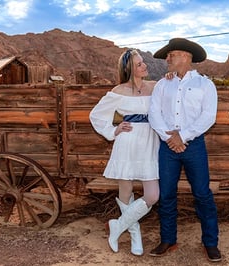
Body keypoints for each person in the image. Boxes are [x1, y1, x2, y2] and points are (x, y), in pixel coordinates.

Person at [148, 38, 222, 262]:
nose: (168, 59)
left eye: (172, 55)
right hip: (167, 145)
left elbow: (208, 116)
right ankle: (168, 239)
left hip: (194, 145)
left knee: (202, 194)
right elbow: (154, 113)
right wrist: (169, 137)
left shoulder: (205, 84)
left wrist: (183, 136)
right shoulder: (163, 84)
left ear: (186, 57)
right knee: (167, 194)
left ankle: (210, 243)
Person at [89, 49, 160, 256]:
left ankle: (117, 226)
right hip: (127, 143)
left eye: (143, 62)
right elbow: (97, 116)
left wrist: (171, 77)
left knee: (153, 195)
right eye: (139, 64)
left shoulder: (154, 86)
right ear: (129, 69)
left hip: (149, 143)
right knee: (126, 191)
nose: (144, 65)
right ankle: (135, 232)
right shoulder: (118, 91)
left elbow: (171, 90)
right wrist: (114, 130)